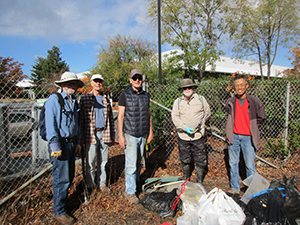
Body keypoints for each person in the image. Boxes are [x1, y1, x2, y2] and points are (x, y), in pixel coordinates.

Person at [45, 72, 84, 225]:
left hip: (72, 143)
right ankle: (59, 212)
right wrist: (54, 144)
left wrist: (79, 141)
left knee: (68, 176)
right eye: (68, 83)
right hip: (60, 144)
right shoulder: (54, 100)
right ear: (61, 84)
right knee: (61, 178)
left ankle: (63, 205)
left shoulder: (74, 101)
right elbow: (51, 123)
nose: (71, 86)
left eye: (74, 83)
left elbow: (77, 123)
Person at [225, 73, 266, 194]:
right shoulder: (231, 101)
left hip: (248, 137)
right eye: (237, 85)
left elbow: (261, 117)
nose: (239, 88)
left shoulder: (254, 101)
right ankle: (235, 188)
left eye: (242, 85)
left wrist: (253, 128)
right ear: (234, 87)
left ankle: (252, 190)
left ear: (247, 86)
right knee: (233, 163)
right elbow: (229, 117)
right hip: (234, 136)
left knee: (249, 165)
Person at [118, 69, 153, 204]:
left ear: (142, 80)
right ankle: (130, 191)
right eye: (134, 78)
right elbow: (120, 117)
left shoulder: (146, 95)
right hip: (130, 134)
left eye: (139, 78)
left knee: (139, 161)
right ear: (130, 80)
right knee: (131, 164)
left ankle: (136, 183)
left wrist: (150, 131)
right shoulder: (124, 95)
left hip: (143, 133)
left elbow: (148, 115)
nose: (137, 80)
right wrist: (121, 136)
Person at [79, 74, 115, 194]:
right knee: (90, 162)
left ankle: (102, 184)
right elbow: (81, 119)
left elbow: (110, 118)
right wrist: (82, 136)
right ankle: (90, 185)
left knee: (103, 161)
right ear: (91, 83)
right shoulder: (85, 99)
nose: (98, 83)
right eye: (96, 81)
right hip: (90, 134)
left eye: (100, 81)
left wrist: (112, 135)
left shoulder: (106, 99)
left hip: (104, 133)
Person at [171, 78, 211, 184]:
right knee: (185, 158)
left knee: (200, 158)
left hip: (198, 135)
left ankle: (199, 181)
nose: (187, 89)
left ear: (193, 88)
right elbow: (175, 117)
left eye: (189, 87)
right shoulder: (178, 102)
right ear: (182, 90)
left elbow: (207, 112)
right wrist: (184, 127)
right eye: (185, 88)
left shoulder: (201, 99)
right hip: (183, 136)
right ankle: (186, 179)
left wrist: (201, 124)